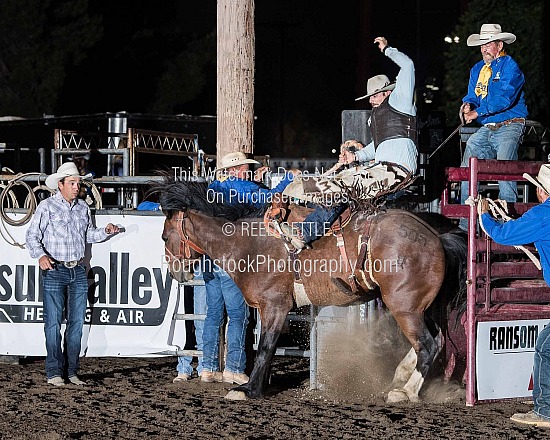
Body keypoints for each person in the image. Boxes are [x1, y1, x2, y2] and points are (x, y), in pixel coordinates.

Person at [280, 36, 418, 250]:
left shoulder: (400, 100)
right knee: (335, 180)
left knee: (343, 186)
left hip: (398, 171)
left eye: (373, 96)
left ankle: (304, 232)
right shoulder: (377, 117)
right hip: (382, 169)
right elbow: (377, 147)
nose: (370, 100)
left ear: (387, 92)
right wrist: (356, 157)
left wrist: (387, 50)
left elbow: (408, 65)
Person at [201, 152, 298, 385]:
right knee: (238, 315)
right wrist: (288, 179)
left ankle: (208, 367)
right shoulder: (242, 186)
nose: (249, 171)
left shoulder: (216, 187)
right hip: (231, 257)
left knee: (213, 314)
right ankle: (233, 368)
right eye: (246, 168)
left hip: (210, 256)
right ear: (234, 170)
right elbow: (270, 198)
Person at [26, 162, 121, 386]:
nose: (76, 187)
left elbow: (88, 234)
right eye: (72, 183)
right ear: (60, 185)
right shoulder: (46, 207)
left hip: (77, 268)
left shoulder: (82, 208)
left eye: (77, 183)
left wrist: (105, 232)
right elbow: (32, 237)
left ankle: (71, 371)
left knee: (76, 323)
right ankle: (54, 371)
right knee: (53, 322)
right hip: (54, 268)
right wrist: (40, 256)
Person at [478, 164, 550, 427]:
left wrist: (485, 215)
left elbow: (502, 234)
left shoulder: (543, 214)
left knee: (545, 348)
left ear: (541, 192)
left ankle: (545, 411)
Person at [458, 23, 528, 231]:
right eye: (482, 45)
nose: (484, 49)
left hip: (510, 124)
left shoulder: (510, 67)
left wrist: (477, 112)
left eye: (488, 44)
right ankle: (466, 223)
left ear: (499, 44)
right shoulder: (477, 70)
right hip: (489, 126)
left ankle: (507, 222)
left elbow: (504, 98)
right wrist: (468, 104)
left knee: (504, 166)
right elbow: (472, 94)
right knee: (468, 162)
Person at [173, 267, 206, 382]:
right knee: (185, 320)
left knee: (201, 319)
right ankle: (184, 367)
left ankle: (202, 366)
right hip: (184, 263)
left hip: (199, 264)